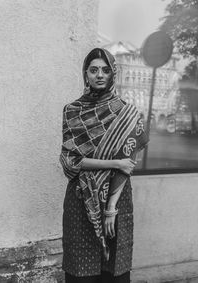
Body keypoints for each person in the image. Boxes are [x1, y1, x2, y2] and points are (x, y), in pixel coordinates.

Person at [60, 48, 148, 283]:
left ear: (112, 74)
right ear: (85, 74)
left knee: (114, 268)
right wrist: (114, 162)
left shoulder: (127, 112)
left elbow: (127, 166)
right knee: (80, 269)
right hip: (81, 199)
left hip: (116, 197)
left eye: (105, 70)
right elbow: (70, 162)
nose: (100, 75)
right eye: (94, 70)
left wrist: (110, 208)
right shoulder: (72, 111)